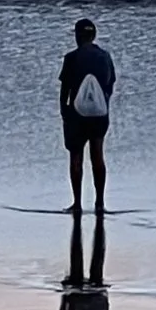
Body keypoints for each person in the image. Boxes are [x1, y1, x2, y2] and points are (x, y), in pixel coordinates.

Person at [58, 14, 115, 213]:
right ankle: (100, 203)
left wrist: (64, 112)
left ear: (77, 36)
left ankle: (77, 204)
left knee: (76, 156)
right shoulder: (105, 57)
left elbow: (65, 90)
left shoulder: (71, 58)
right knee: (97, 155)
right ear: (94, 36)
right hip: (100, 113)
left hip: (76, 114)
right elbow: (110, 85)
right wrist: (104, 106)